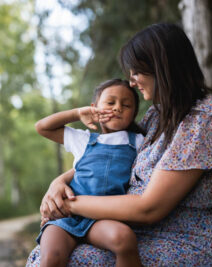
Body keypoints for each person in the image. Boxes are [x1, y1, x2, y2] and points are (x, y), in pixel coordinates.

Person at [27, 22, 212, 266]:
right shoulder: (157, 115)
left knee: (77, 260)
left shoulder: (202, 121)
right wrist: (59, 183)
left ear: (161, 68)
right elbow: (111, 157)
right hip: (148, 234)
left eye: (137, 71)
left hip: (190, 242)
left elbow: (148, 209)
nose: (131, 81)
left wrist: (68, 204)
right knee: (48, 253)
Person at [35, 79, 145, 267]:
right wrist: (78, 113)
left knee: (125, 239)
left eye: (126, 105)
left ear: (133, 113)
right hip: (66, 217)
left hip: (104, 218)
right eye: (111, 103)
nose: (118, 108)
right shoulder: (83, 139)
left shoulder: (138, 142)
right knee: (51, 258)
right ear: (95, 107)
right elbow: (42, 127)